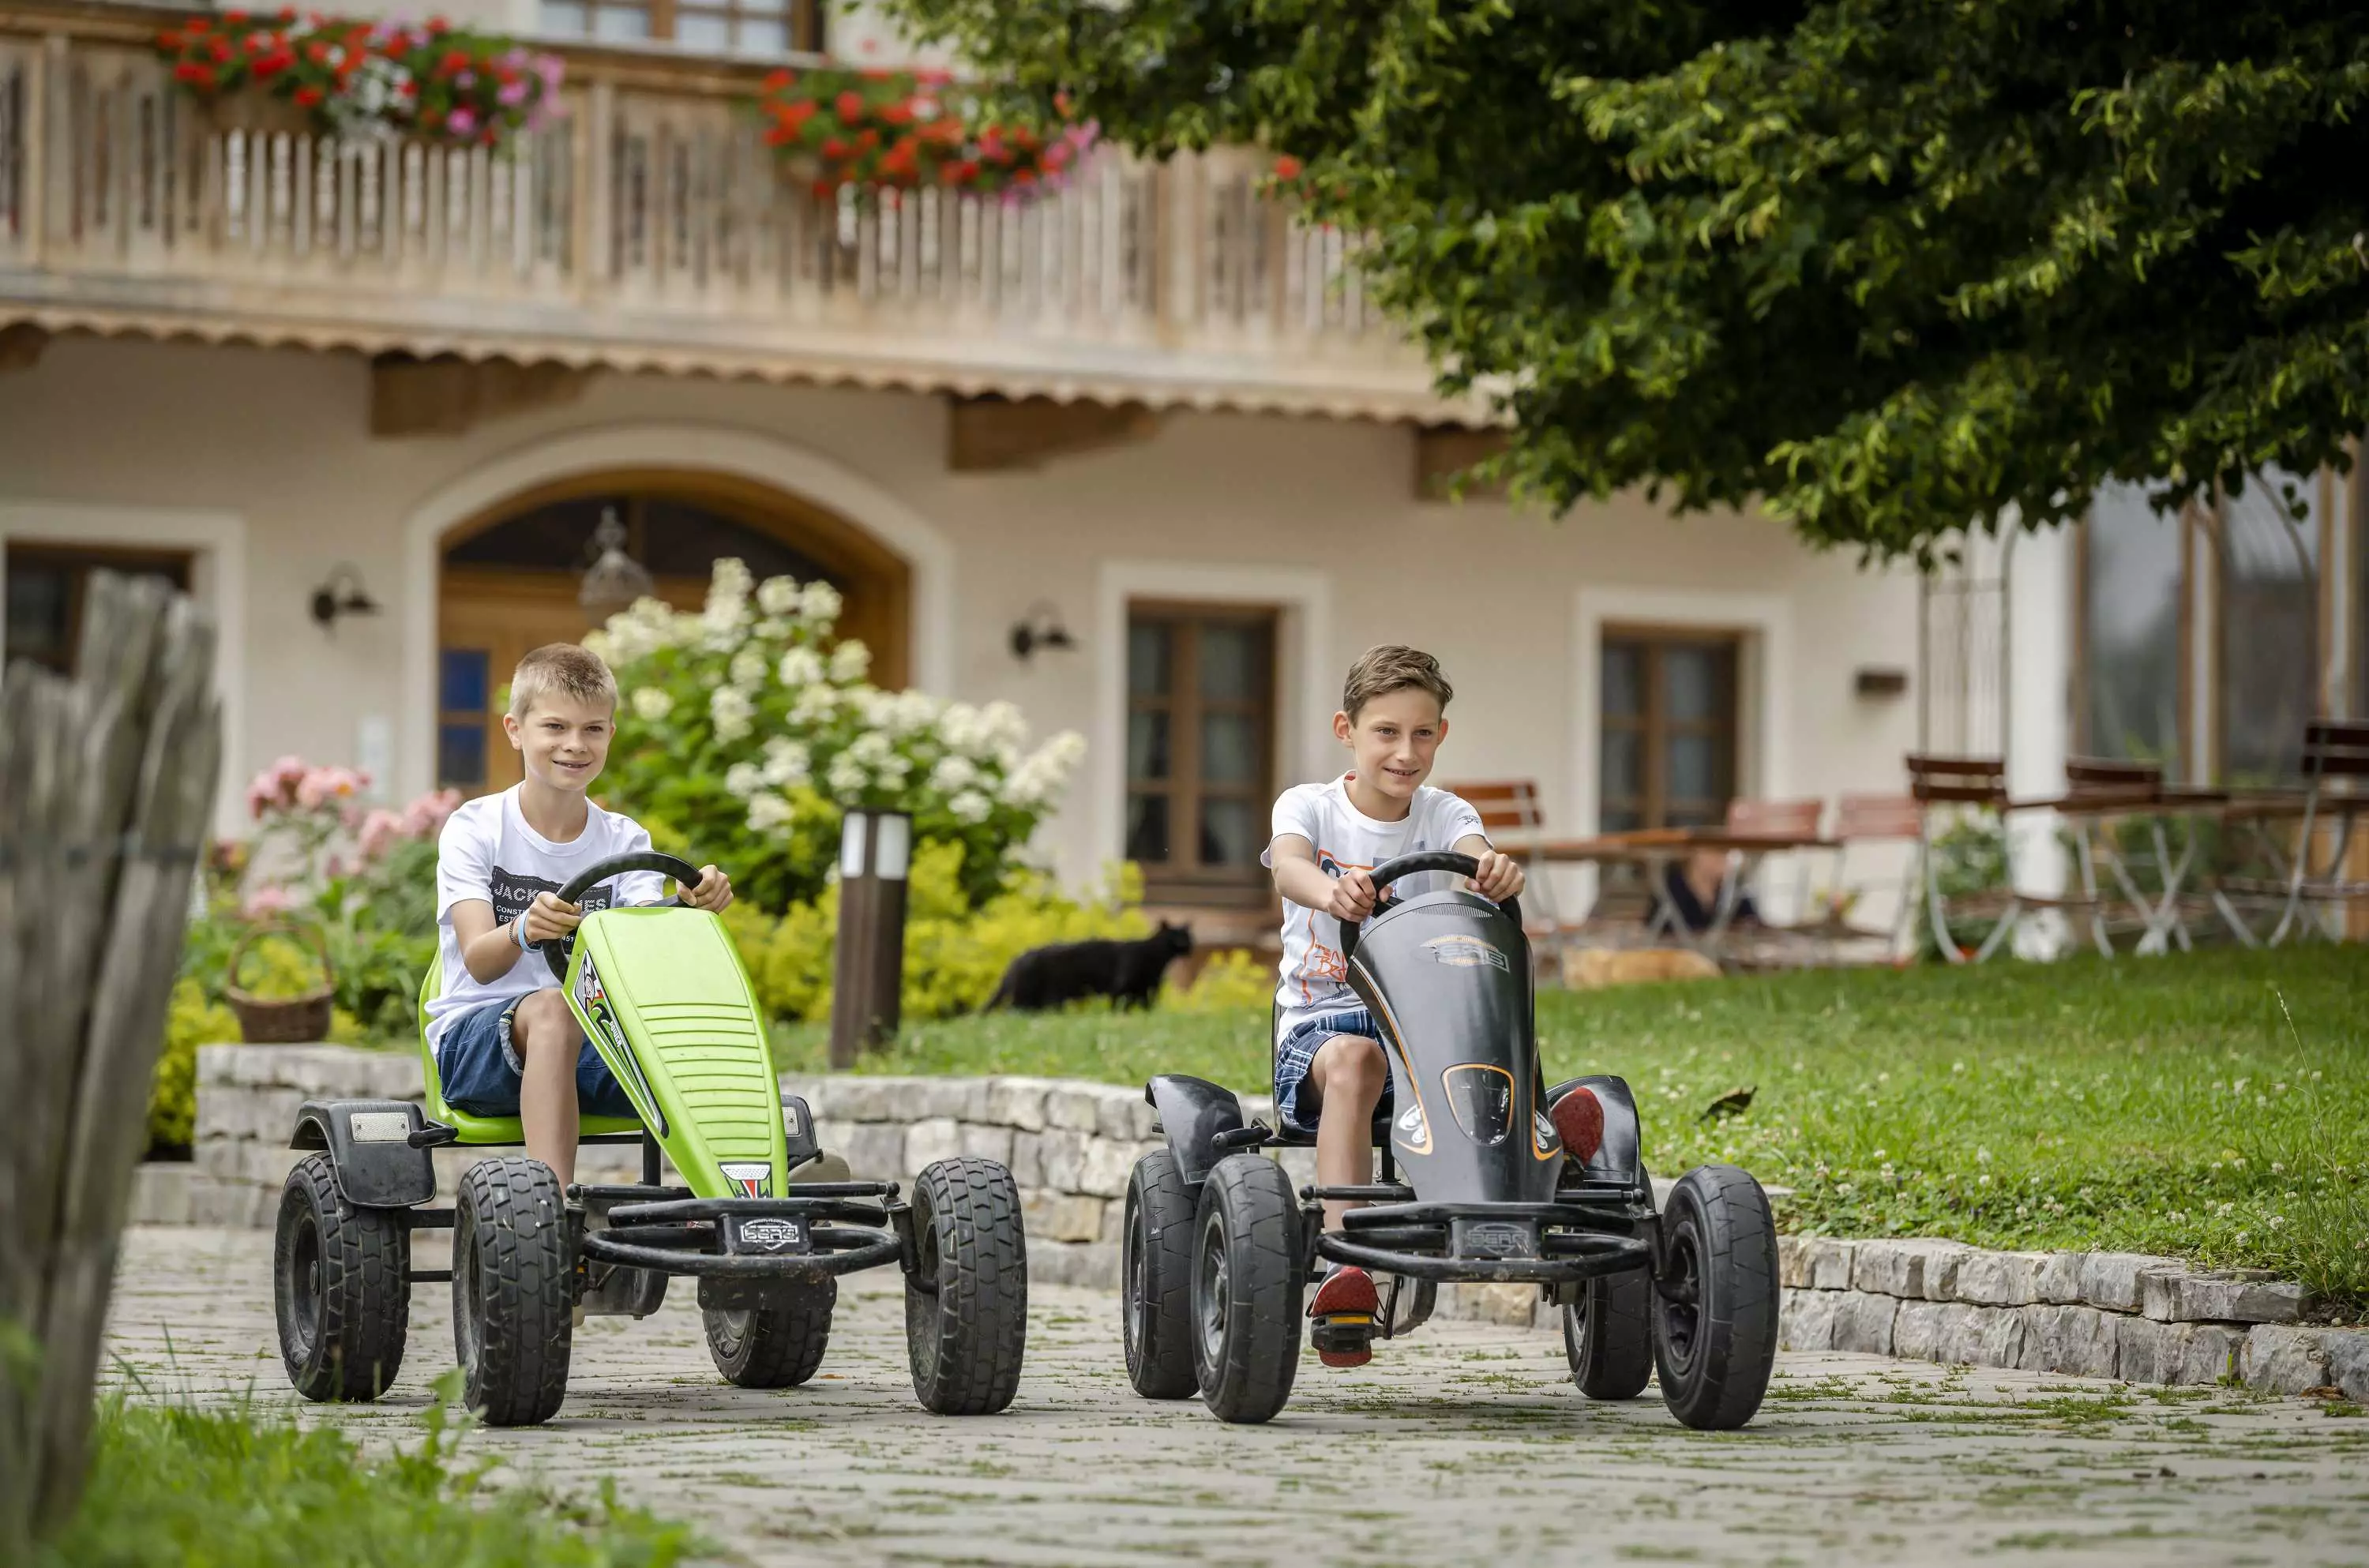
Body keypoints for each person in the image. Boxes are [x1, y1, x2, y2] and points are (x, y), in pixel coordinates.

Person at [1263, 644, 1525, 1367]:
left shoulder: (1444, 813)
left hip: (1426, 1026)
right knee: (1358, 1059)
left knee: (1497, 1030)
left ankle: (1544, 1153)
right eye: (1386, 732)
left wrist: (1494, 872)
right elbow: (1289, 865)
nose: (1404, 752)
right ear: (1347, 730)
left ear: (1440, 734)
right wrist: (1330, 891)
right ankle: (1348, 1266)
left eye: (1420, 734)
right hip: (1323, 1029)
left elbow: (1475, 854)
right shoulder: (1309, 806)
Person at [426, 643, 734, 1190]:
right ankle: (552, 1209)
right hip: (476, 1047)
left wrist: (688, 905)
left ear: (610, 735)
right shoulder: (475, 829)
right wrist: (524, 928)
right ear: (515, 730)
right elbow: (478, 961)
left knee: (708, 1048)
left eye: (593, 729)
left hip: (594, 1045)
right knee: (552, 1010)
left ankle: (741, 1206)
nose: (574, 745)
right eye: (555, 727)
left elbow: (645, 948)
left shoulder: (625, 840)